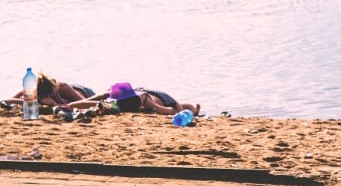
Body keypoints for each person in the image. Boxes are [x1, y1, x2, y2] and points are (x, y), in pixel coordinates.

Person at [65, 82, 200, 116]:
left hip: (159, 97)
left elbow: (170, 110)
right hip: (134, 93)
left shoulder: (146, 101)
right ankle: (193, 109)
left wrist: (70, 106)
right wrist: (71, 105)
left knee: (183, 106)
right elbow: (171, 110)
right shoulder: (117, 101)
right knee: (104, 95)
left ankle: (193, 109)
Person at [2, 72, 95, 110]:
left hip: (84, 92)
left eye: (50, 94)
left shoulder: (62, 87)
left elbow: (85, 103)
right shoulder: (31, 92)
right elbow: (6, 102)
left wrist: (56, 105)